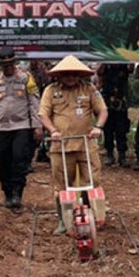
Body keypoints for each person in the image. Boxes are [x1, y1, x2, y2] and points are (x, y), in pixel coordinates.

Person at [39, 55, 107, 234]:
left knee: (93, 180)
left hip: (86, 144)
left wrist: (98, 127)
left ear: (79, 75)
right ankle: (64, 221)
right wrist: (52, 130)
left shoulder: (89, 89)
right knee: (61, 186)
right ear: (59, 75)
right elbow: (43, 114)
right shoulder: (50, 91)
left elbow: (103, 110)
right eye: (66, 74)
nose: (70, 77)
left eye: (74, 74)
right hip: (61, 146)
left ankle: (89, 215)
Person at [0, 46, 42, 209]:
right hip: (3, 128)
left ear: (15, 62)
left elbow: (34, 102)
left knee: (19, 159)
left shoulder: (25, 78)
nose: (8, 67)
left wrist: (37, 126)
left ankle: (17, 193)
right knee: (4, 160)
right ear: (0, 65)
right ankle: (7, 192)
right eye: (4, 64)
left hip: (22, 126)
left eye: (10, 63)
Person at [97, 63, 131, 167]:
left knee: (121, 130)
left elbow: (132, 68)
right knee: (108, 130)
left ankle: (122, 156)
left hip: (121, 103)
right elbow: (98, 72)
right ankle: (110, 154)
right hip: (107, 102)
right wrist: (106, 60)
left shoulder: (124, 66)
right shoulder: (106, 66)